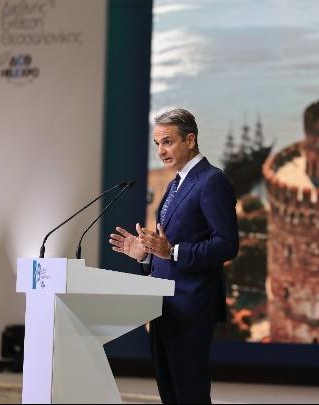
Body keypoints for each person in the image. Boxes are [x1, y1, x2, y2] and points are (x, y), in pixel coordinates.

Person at [108, 108, 239, 403]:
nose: (160, 151)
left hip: (191, 307)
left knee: (189, 395)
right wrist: (146, 256)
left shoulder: (211, 181)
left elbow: (227, 244)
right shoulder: (175, 184)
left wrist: (172, 251)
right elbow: (166, 249)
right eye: (157, 144)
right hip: (164, 307)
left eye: (167, 142)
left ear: (190, 140)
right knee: (170, 395)